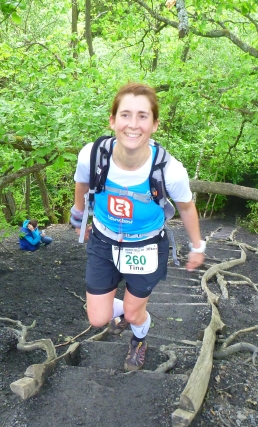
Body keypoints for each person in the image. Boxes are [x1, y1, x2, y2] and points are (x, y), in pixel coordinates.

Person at [70, 82, 205, 371]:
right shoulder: (92, 155)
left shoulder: (169, 170)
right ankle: (126, 310)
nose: (133, 124)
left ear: (155, 125)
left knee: (133, 315)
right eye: (125, 115)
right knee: (97, 318)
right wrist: (79, 213)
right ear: (112, 120)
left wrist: (197, 246)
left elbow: (186, 206)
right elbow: (82, 183)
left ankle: (139, 338)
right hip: (103, 240)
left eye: (143, 116)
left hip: (146, 245)